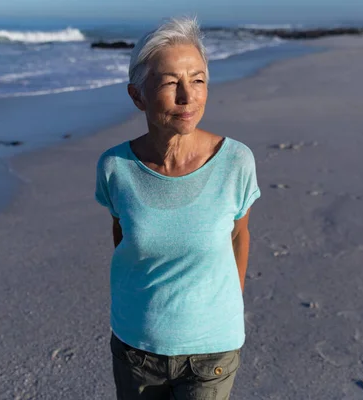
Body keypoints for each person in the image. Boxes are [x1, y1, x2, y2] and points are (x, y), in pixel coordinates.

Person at [94, 16, 261, 400]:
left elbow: (239, 234)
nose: (188, 97)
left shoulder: (236, 161)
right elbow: (123, 234)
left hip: (211, 354)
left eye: (198, 79)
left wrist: (227, 305)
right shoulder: (115, 167)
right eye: (171, 83)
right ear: (137, 95)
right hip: (136, 347)